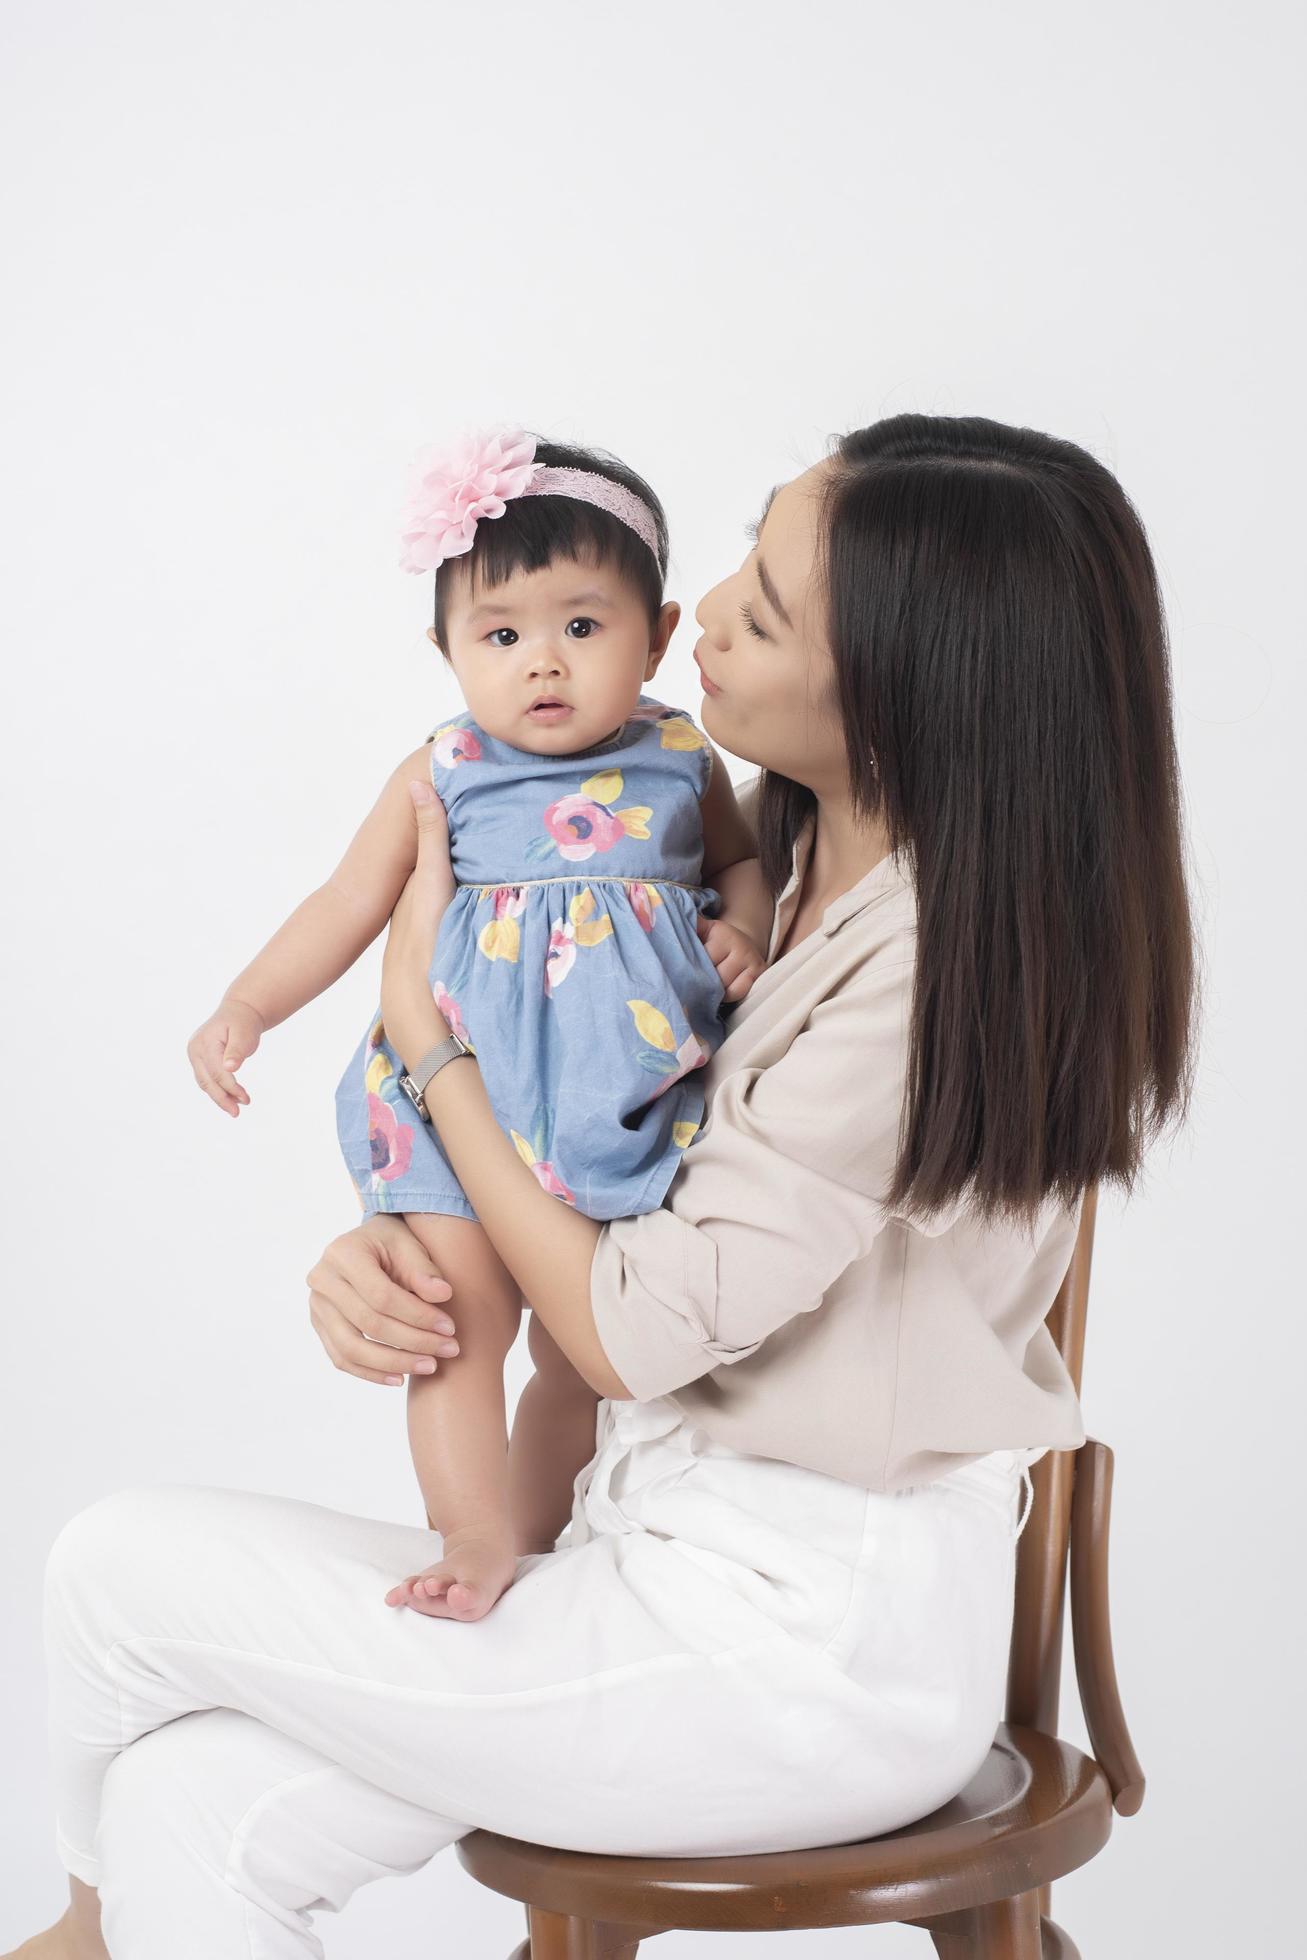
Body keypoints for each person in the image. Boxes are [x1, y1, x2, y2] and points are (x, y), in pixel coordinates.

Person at [12, 414, 1196, 1960]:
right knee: (188, 1810)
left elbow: (632, 1328)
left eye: (761, 609)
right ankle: (105, 1924)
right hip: (645, 1544)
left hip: (792, 1650)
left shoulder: (918, 969)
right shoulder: (750, 860)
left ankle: (76, 1941)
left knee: (111, 1568)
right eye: (739, 565)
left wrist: (430, 1059)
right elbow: (596, 1157)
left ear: (905, 696)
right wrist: (397, 1244)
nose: (696, 613)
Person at [186, 428, 772, 1619]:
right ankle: (466, 1533)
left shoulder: (679, 753)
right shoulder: (443, 766)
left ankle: (537, 1549)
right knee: (455, 1321)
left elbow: (743, 858)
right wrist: (250, 1002)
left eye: (581, 626)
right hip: (454, 1093)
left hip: (622, 1096)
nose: (540, 665)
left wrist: (745, 926)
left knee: (574, 1351)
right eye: (500, 636)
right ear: (446, 651)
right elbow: (350, 901)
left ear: (657, 635)